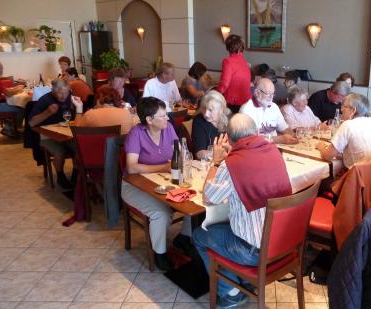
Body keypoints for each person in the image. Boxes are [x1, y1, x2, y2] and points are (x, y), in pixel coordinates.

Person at [192, 113, 292, 308]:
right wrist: (234, 153)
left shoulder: (231, 164)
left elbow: (208, 197)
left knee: (199, 235)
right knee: (225, 225)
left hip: (255, 252)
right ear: (255, 132)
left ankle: (230, 292)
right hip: (282, 242)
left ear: (228, 138)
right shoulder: (272, 151)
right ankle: (242, 280)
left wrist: (216, 161)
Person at [121, 97, 179, 271]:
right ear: (149, 120)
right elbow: (131, 168)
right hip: (134, 186)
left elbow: (178, 152)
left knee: (192, 201)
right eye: (163, 116)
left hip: (162, 181)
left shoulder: (168, 128)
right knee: (161, 213)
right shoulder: (136, 133)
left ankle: (185, 239)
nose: (168, 118)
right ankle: (158, 253)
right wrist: (164, 166)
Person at [28, 79, 81, 189]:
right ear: (52, 90)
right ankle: (60, 176)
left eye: (66, 92)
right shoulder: (44, 100)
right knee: (60, 152)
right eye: (60, 93)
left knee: (80, 148)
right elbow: (32, 123)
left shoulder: (71, 97)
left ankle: (76, 174)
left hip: (67, 133)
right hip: (48, 135)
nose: (63, 96)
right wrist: (48, 112)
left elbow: (78, 116)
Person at [317, 93, 371, 169]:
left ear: (354, 110)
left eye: (344, 106)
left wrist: (322, 148)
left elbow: (327, 156)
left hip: (358, 176)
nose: (341, 109)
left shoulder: (348, 125)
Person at [239, 77, 297, 144]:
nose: (271, 97)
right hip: (256, 151)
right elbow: (249, 140)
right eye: (268, 93)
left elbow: (284, 128)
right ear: (257, 93)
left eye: (273, 93)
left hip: (274, 149)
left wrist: (294, 136)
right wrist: (279, 139)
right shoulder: (246, 110)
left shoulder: (274, 107)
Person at [216, 34, 251, 113]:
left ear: (228, 47)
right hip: (246, 102)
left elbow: (225, 83)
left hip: (233, 103)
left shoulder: (228, 61)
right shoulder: (245, 62)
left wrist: (215, 95)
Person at [0, 60, 25, 137]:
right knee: (20, 108)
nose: (1, 70)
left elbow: (2, 90)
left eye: (1, 68)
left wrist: (14, 88)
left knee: (10, 104)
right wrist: (18, 89)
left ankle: (9, 128)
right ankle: (15, 129)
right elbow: (8, 94)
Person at [192, 90, 231, 160]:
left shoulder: (229, 120)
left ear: (221, 110)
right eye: (204, 108)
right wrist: (222, 154)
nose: (206, 114)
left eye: (210, 110)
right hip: (208, 164)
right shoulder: (199, 121)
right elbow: (199, 154)